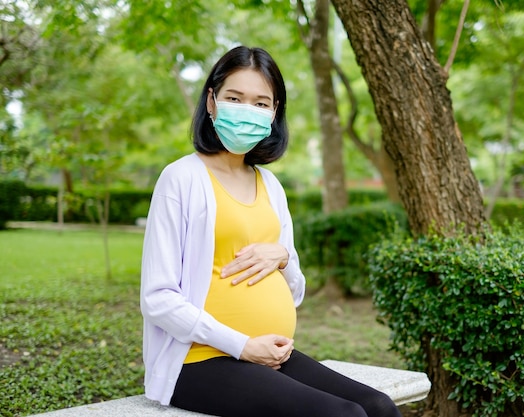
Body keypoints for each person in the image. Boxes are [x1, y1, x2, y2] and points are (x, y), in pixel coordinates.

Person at [140, 45, 402, 417]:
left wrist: (283, 258)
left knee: (379, 407)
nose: (248, 110)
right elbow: (158, 298)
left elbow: (294, 291)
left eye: (261, 103)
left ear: (274, 112)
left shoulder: (270, 185)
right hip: (199, 360)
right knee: (343, 416)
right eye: (235, 98)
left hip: (270, 353)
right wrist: (242, 345)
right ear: (211, 102)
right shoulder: (181, 179)